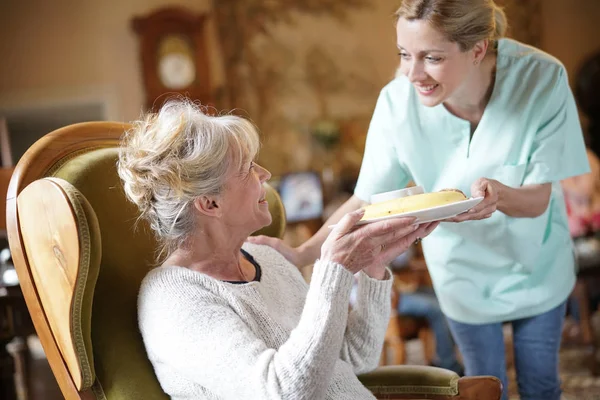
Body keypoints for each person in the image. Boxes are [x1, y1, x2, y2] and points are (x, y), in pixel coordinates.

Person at [248, 1, 590, 399]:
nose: (413, 73)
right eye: (405, 55)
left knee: (541, 385)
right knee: (484, 387)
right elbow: (365, 199)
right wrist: (302, 253)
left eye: (432, 58)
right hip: (462, 273)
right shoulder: (396, 104)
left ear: (477, 49)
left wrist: (499, 196)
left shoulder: (542, 78)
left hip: (537, 265)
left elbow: (537, 200)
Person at [117, 100, 438, 400]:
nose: (265, 175)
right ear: (210, 203)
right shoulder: (173, 301)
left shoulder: (268, 260)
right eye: (247, 168)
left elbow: (354, 360)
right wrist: (332, 269)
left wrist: (374, 267)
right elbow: (282, 392)